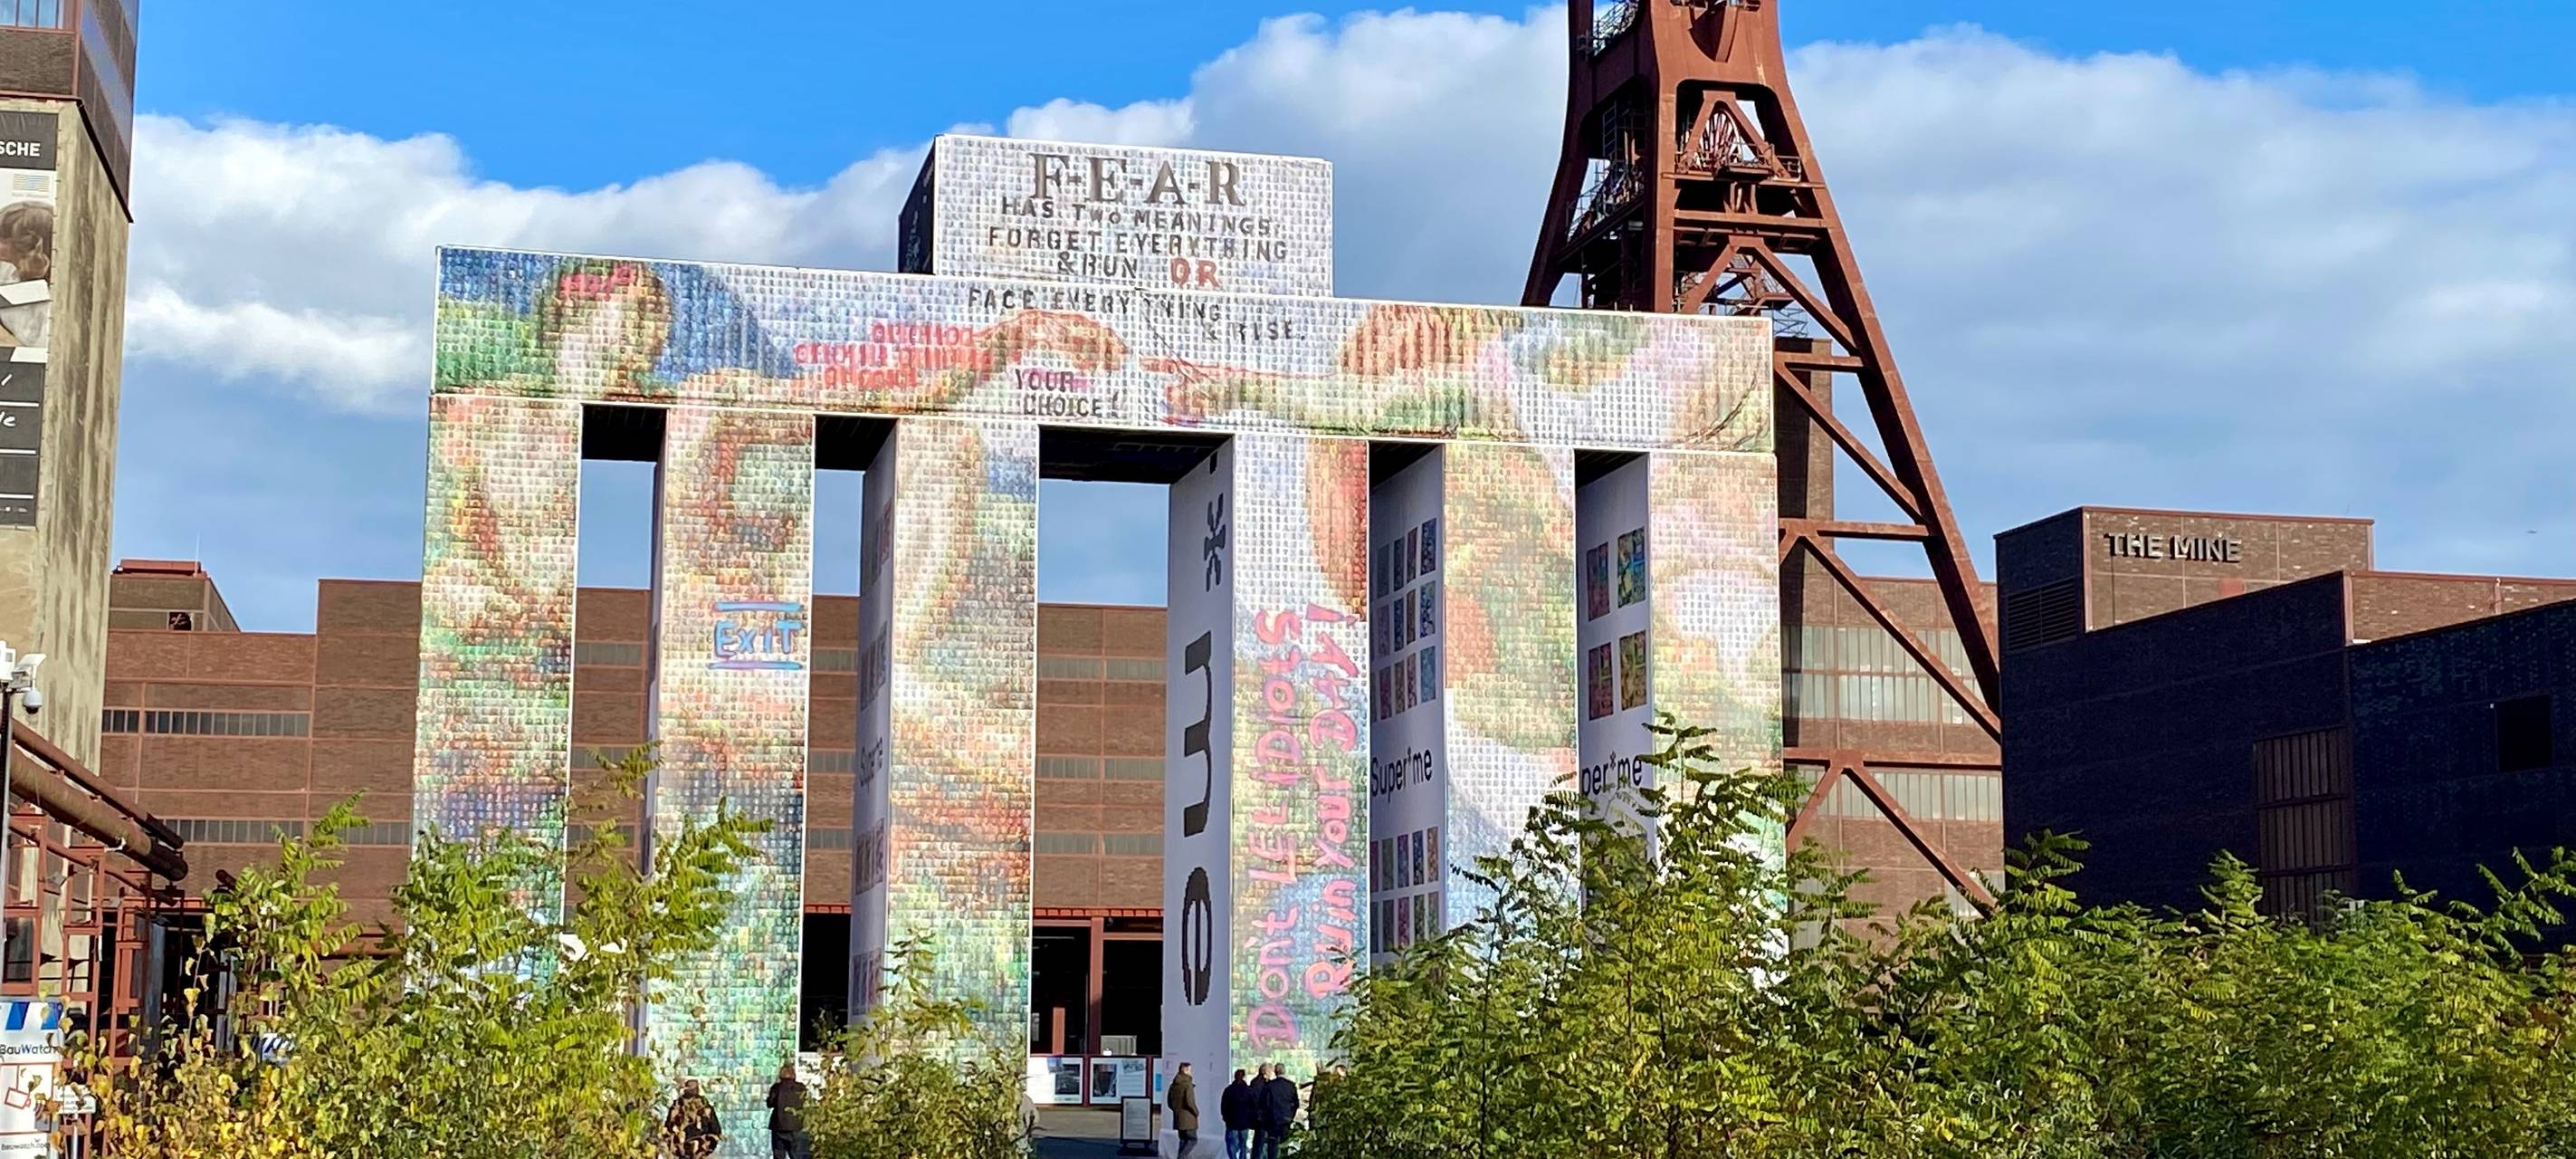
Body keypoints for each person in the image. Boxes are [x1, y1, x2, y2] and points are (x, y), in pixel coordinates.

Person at [663, 1078, 722, 1159]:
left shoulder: (704, 1107)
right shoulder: (679, 1105)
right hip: (685, 1148)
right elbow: (716, 1130)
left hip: (694, 1148)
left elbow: (668, 1126)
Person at [1254, 1063, 1299, 1159]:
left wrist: (1267, 1117)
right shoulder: (1291, 1086)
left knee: (1272, 1145)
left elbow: (1264, 1103)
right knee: (1284, 1145)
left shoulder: (1270, 1086)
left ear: (1275, 1072)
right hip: (1286, 1120)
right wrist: (1291, 1116)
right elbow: (1296, 1104)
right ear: (1284, 1071)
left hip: (1272, 1121)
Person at [767, 1062, 811, 1159]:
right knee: (795, 1155)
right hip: (795, 1126)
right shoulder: (801, 1088)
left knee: (778, 1155)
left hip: (778, 1126)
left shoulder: (776, 1088)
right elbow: (804, 1103)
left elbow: (770, 1104)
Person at [1219, 1068, 1256, 1159]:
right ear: (1244, 1077)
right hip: (1245, 1123)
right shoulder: (1248, 1090)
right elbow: (1253, 1106)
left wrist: (1226, 1118)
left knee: (1232, 1145)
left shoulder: (1228, 1090)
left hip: (1232, 1122)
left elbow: (1224, 1106)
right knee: (1243, 1146)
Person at [1167, 1061, 1200, 1157]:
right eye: (1190, 1070)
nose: (1191, 1072)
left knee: (1182, 1140)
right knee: (1192, 1140)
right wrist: (1196, 1112)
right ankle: (1182, 1157)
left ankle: (1180, 1156)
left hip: (1178, 1118)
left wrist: (1176, 1110)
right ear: (1185, 1070)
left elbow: (1169, 1102)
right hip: (1188, 1118)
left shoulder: (1173, 1085)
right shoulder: (1187, 1084)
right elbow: (1189, 1101)